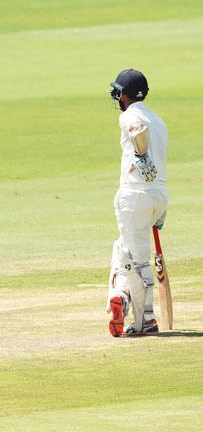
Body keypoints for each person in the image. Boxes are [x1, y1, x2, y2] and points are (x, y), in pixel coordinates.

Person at [107, 69, 168, 337]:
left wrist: (141, 158)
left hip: (135, 195)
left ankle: (145, 318)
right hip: (159, 196)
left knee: (135, 259)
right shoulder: (159, 119)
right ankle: (122, 296)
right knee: (123, 251)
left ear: (124, 95)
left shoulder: (131, 115)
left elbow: (136, 129)